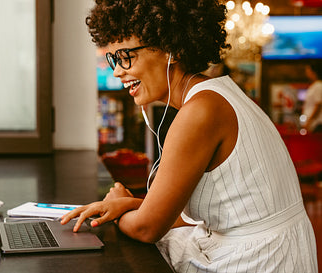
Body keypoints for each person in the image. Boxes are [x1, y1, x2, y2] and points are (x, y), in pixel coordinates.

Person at [60, 0, 318, 272]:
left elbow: (148, 228)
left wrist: (114, 210)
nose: (117, 71)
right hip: (276, 250)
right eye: (113, 59)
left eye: (126, 56)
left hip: (261, 260)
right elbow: (208, 214)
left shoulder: (200, 112)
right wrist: (131, 205)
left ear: (170, 47)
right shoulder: (218, 93)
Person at [302, 62, 322, 133]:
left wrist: (309, 121)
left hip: (317, 124)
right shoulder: (314, 86)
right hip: (312, 123)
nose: (306, 72)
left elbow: (318, 105)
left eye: (308, 70)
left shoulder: (318, 86)